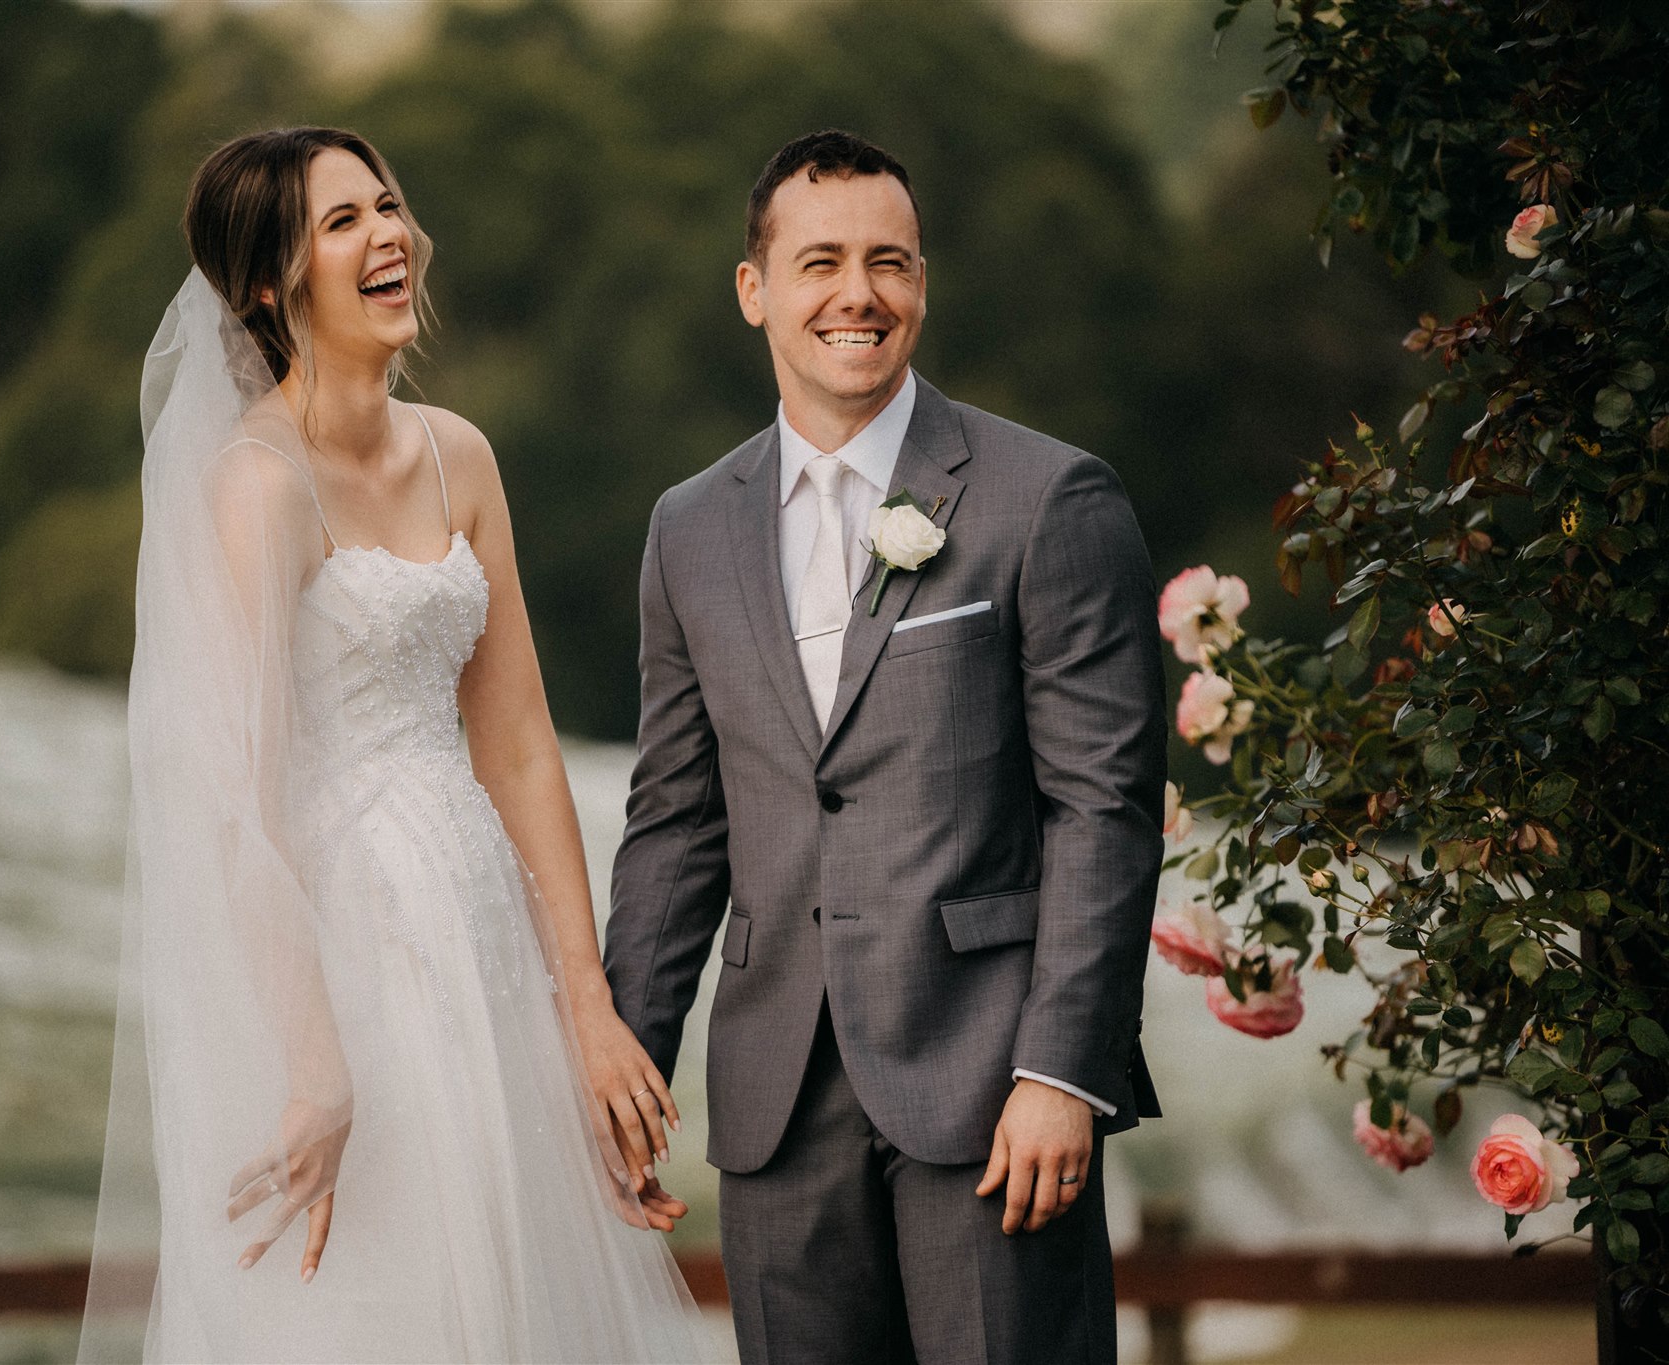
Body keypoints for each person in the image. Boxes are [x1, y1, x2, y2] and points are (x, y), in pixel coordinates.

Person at [78, 126, 707, 1364]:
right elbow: (232, 805)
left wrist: (584, 1001)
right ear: (269, 284)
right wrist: (315, 1061)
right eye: (341, 223)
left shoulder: (458, 454)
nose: (388, 239)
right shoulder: (256, 485)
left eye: (388, 207)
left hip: (487, 937)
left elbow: (519, 745)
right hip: (347, 956)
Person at [604, 128, 1168, 1364]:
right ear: (753, 290)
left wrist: (1060, 1073)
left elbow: (1103, 809)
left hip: (990, 1095)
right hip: (772, 1104)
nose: (855, 295)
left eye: (888, 263)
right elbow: (678, 823)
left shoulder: (1048, 498)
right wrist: (625, 1077)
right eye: (818, 263)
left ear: (921, 283)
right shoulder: (687, 528)